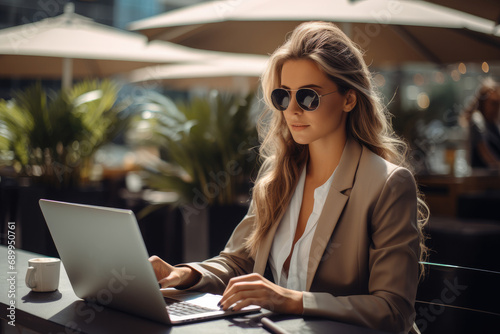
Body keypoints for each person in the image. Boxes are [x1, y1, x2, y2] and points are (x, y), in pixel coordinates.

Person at [149, 21, 428, 333]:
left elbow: (394, 310)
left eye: (309, 97)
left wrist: (292, 300)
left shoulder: (387, 184)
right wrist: (182, 275)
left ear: (349, 99)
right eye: (283, 96)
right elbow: (238, 263)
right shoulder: (277, 176)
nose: (293, 109)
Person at [461, 78, 500, 169]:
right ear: (483, 102)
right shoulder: (477, 120)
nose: (496, 108)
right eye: (493, 103)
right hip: (482, 180)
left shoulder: (493, 124)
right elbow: (485, 153)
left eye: (498, 103)